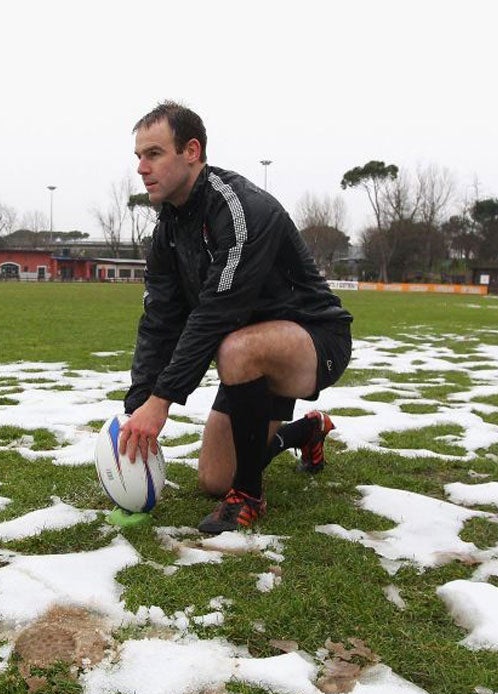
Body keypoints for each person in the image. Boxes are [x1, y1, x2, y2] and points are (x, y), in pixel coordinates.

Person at [118, 101, 353, 534]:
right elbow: (160, 321)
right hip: (248, 356)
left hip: (314, 341)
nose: (141, 168)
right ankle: (307, 433)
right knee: (213, 479)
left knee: (234, 346)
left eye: (153, 154)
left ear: (192, 151)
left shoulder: (242, 210)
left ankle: (249, 497)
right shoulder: (167, 231)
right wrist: (138, 408)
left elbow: (215, 314)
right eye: (138, 157)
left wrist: (163, 401)